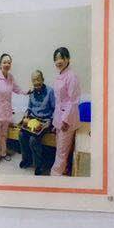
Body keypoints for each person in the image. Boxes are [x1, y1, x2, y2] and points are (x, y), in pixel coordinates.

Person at [49, 46, 80, 175]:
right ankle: (62, 170)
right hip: (59, 119)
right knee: (61, 148)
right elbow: (59, 101)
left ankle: (55, 175)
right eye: (56, 59)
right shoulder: (60, 75)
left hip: (67, 120)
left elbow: (73, 101)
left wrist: (65, 120)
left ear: (68, 59)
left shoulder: (72, 76)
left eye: (61, 58)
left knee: (61, 151)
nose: (58, 61)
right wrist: (56, 121)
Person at [19, 70, 57, 175]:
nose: (36, 82)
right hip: (33, 119)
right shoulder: (31, 92)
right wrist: (26, 114)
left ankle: (39, 165)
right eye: (34, 80)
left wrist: (51, 121)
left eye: (38, 79)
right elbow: (29, 108)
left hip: (45, 121)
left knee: (33, 140)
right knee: (21, 134)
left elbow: (55, 109)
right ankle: (27, 159)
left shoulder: (50, 91)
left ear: (42, 79)